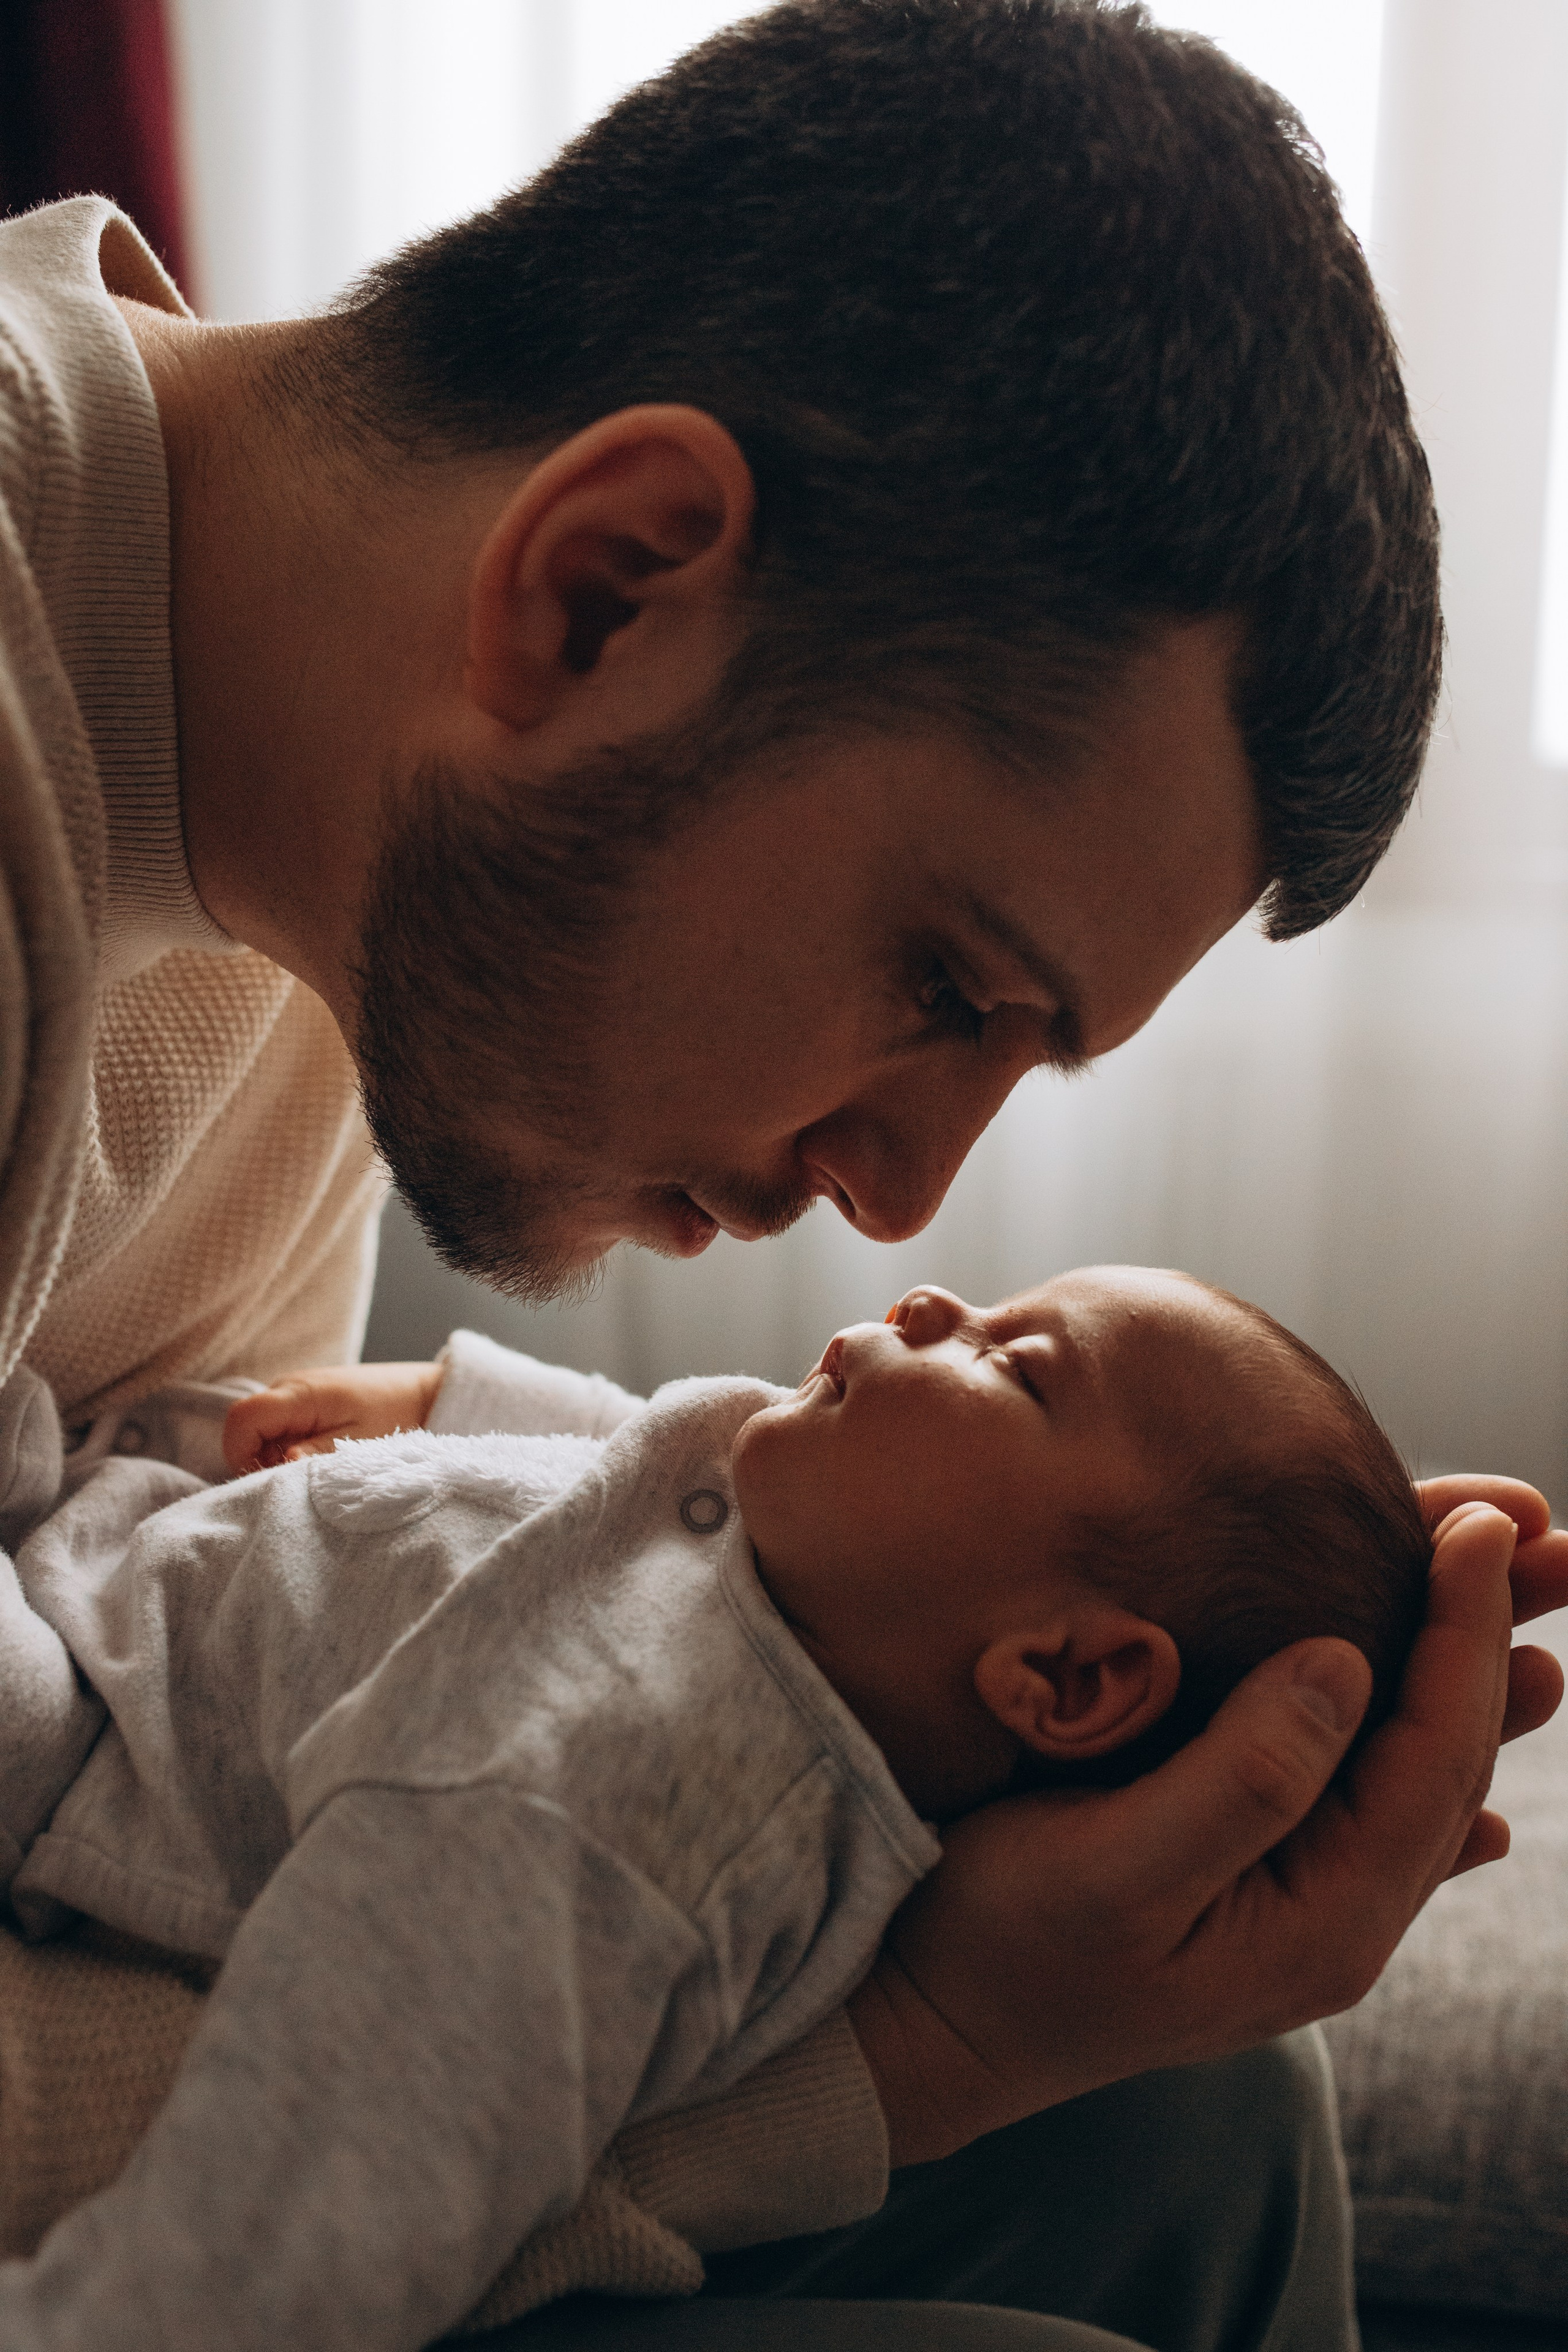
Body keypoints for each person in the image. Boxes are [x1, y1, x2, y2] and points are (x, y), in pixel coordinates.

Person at [0, 0, 1562, 2343]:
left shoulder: (312, 878)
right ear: (610, 586)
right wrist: (913, 2053)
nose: (909, 1198)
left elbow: (171, 1763)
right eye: (948, 983)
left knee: (1182, 2114)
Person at [1, 1267, 1432, 2348]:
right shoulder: (806, 1585)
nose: (936, 1298)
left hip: (74, 1707)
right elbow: (648, 1462)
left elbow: (326, 2194)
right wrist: (450, 1402)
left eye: (1013, 1364)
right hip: (118, 1528)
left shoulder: (599, 1816)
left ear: (1061, 1674)